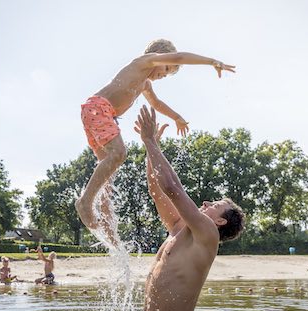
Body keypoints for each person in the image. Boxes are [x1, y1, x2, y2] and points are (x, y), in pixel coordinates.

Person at [134, 106, 246, 311]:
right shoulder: (177, 229)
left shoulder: (207, 235)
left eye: (215, 205)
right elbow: (158, 190)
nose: (207, 202)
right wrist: (151, 150)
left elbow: (172, 187)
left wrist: (149, 142)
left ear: (220, 221)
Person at [75, 38, 235, 239]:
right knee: (119, 154)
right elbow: (180, 56)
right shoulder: (145, 61)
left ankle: (106, 223)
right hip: (99, 109)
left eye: (167, 74)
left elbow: (157, 103)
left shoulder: (145, 84)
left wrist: (177, 117)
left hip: (102, 115)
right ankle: (85, 203)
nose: (163, 75)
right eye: (166, 69)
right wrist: (212, 61)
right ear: (159, 55)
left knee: (108, 170)